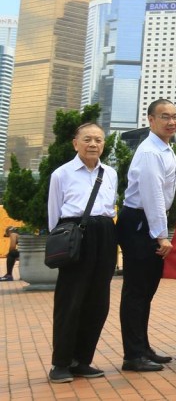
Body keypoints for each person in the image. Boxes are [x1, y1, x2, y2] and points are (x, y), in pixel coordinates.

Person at [46, 122, 118, 383]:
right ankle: (60, 363)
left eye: (98, 140)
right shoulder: (61, 174)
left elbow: (110, 207)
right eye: (87, 139)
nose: (93, 144)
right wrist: (65, 242)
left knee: (98, 302)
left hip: (105, 234)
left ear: (103, 145)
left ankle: (82, 360)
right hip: (75, 234)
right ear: (75, 143)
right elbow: (54, 216)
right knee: (70, 301)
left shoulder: (110, 173)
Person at [118, 99, 176, 372]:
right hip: (139, 223)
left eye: (174, 116)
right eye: (164, 117)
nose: (171, 122)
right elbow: (153, 196)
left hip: (147, 223)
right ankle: (132, 355)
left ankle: (142, 348)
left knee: (146, 290)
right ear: (150, 119)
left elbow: (166, 180)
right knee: (136, 291)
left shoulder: (164, 148)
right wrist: (161, 236)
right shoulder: (149, 152)